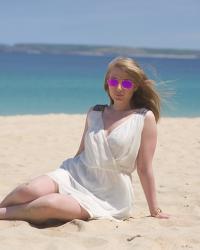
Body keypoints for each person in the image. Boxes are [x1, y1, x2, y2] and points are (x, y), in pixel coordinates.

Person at [0, 56, 170, 225]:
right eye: (113, 81)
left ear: (135, 87)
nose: (119, 88)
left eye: (126, 83)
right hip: (76, 173)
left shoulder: (143, 118)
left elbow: (144, 167)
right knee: (28, 190)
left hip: (109, 194)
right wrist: (61, 177)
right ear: (107, 83)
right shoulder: (94, 113)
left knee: (47, 204)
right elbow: (82, 152)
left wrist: (154, 209)